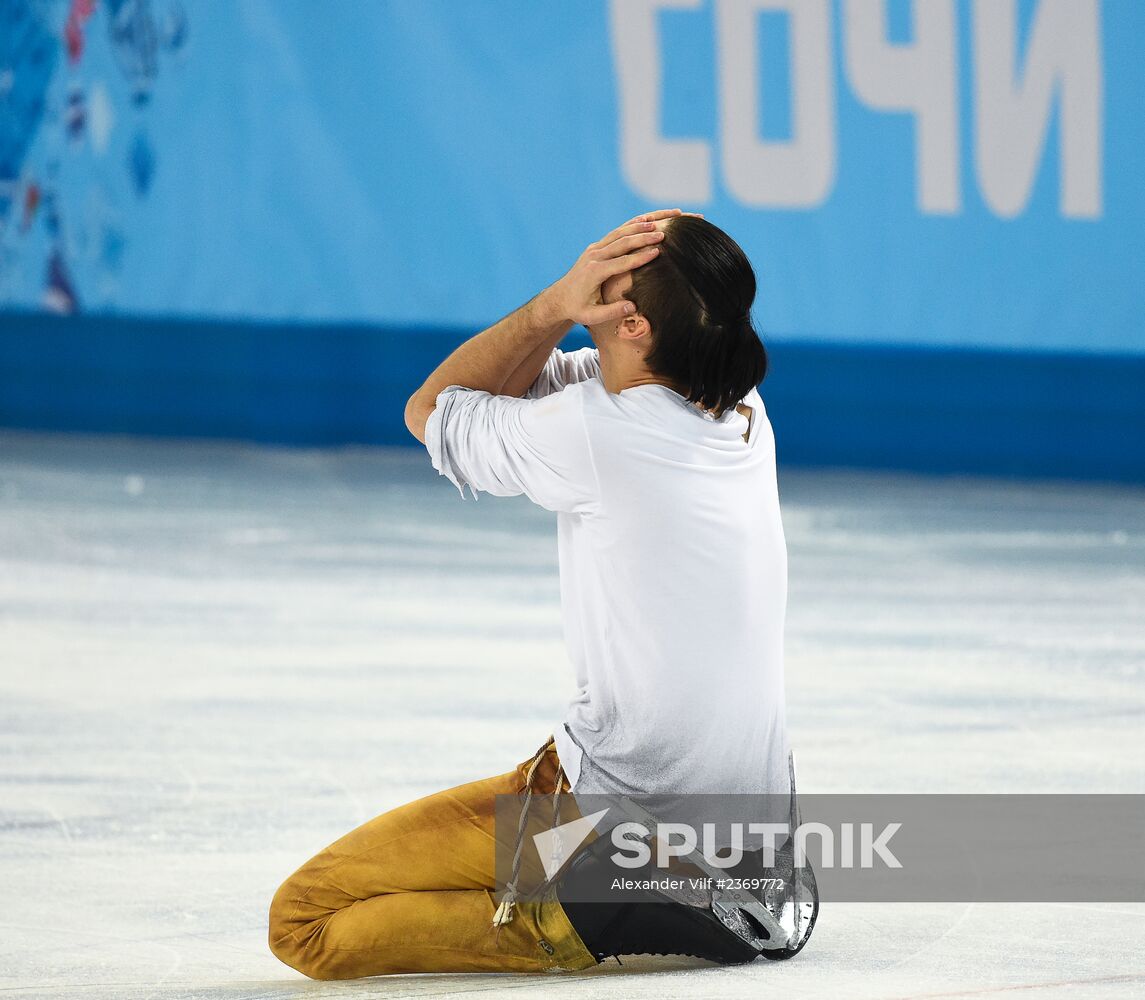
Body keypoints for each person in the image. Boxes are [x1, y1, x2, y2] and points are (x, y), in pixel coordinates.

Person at [267, 208, 801, 978]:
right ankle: (668, 886)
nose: (588, 270)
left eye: (603, 271)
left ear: (632, 323)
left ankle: (579, 910)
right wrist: (579, 311)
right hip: (751, 834)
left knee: (305, 922)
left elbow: (429, 409)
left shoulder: (594, 432)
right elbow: (515, 391)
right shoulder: (741, 408)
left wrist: (554, 304)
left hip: (596, 816)